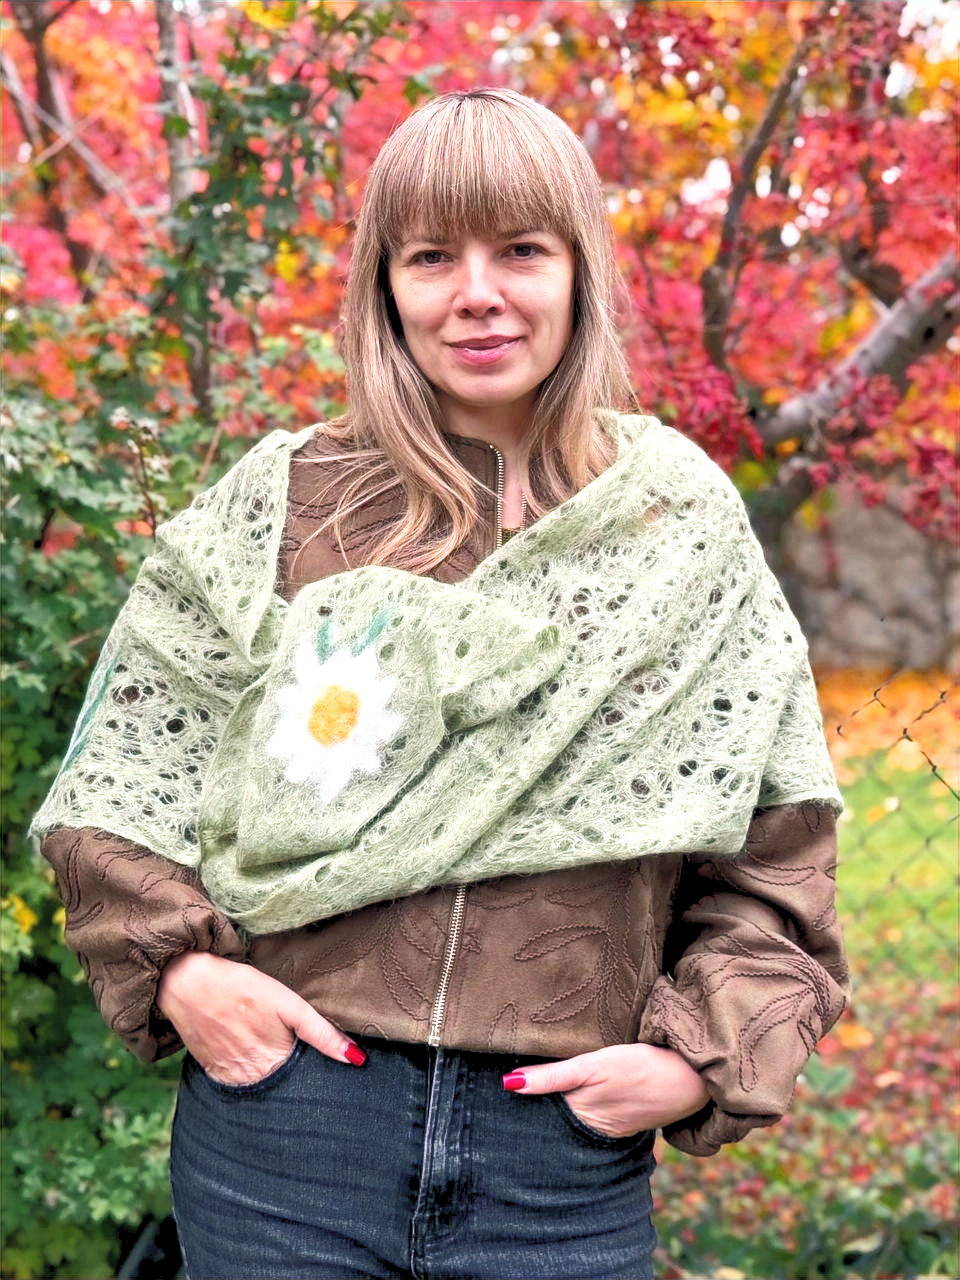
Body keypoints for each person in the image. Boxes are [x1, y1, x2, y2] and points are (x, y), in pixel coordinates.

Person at [33, 88, 848, 1280]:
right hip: (291, 1133)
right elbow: (124, 783)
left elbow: (776, 869)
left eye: (520, 249)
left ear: (579, 271)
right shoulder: (286, 503)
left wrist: (698, 1058)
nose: (478, 292)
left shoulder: (684, 531)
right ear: (385, 285)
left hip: (559, 1157)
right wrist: (188, 969)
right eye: (431, 256)